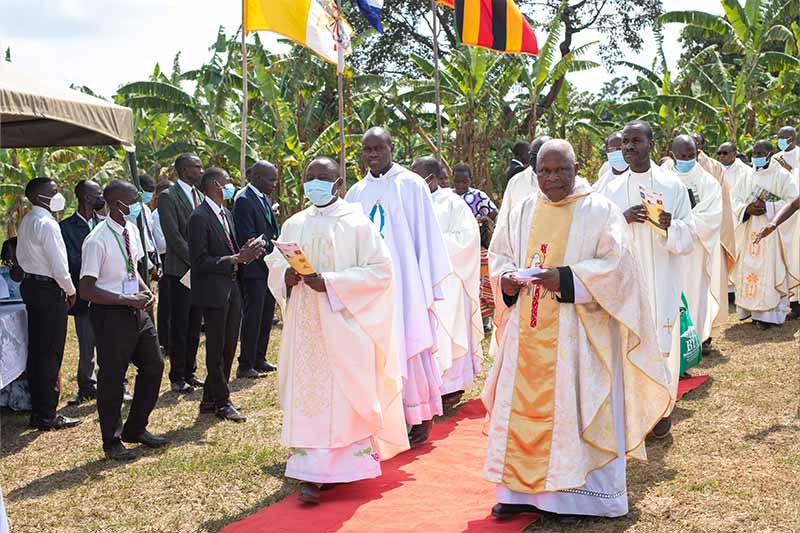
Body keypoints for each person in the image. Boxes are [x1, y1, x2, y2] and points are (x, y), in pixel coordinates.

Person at [484, 140, 670, 520]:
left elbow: (619, 268)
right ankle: (517, 492)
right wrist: (504, 280)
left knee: (576, 407)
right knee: (520, 407)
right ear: (535, 173)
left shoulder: (598, 210)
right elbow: (500, 254)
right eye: (544, 172)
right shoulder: (521, 209)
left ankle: (574, 497)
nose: (552, 179)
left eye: (560, 171)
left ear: (576, 168)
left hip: (578, 335)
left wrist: (567, 279)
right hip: (527, 333)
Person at [266, 156, 409, 504]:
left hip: (343, 324)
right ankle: (310, 474)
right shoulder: (294, 222)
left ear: (339, 183)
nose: (314, 183)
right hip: (304, 327)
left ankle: (346, 468)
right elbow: (275, 261)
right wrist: (285, 275)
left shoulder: (357, 223)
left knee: (343, 393)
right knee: (309, 394)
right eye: (309, 177)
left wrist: (329, 282)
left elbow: (380, 272)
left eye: (322, 178)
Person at [345, 127, 452, 447]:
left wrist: (422, 283)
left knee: (408, 343)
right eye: (367, 149)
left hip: (405, 283)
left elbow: (426, 236)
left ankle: (419, 416)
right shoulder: (356, 193)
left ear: (392, 147)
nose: (373, 154)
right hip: (370, 287)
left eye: (379, 148)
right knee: (374, 349)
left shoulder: (412, 185)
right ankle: (381, 417)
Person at [597, 121, 695, 438]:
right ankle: (631, 411)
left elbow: (690, 233)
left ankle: (662, 409)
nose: (628, 147)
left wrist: (670, 226)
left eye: (635, 141)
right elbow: (595, 234)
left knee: (661, 340)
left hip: (661, 278)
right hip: (624, 281)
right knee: (625, 341)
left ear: (651, 144)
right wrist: (621, 219)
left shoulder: (671, 185)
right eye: (624, 142)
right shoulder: (608, 189)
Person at [78, 180, 169, 460]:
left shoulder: (131, 229)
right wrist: (126, 300)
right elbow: (87, 289)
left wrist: (143, 290)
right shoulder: (97, 239)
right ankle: (112, 441)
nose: (139, 205)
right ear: (118, 204)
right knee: (113, 378)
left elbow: (132, 266)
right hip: (110, 314)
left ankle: (136, 428)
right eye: (134, 200)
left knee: (154, 365)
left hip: (136, 310)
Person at [189, 167, 264, 421]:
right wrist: (235, 258)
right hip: (213, 291)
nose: (230, 186)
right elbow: (199, 261)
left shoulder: (227, 214)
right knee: (216, 348)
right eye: (227, 182)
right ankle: (222, 401)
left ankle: (209, 399)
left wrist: (246, 252)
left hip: (231, 287)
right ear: (214, 185)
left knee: (229, 345)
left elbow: (231, 248)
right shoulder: (199, 217)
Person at [412, 156, 483, 409]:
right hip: (417, 283)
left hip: (448, 280)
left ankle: (451, 386)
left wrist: (433, 244)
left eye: (420, 176)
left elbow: (467, 238)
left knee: (448, 332)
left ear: (432, 178)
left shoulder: (452, 203)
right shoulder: (410, 203)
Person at [16, 177, 81, 431]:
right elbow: (58, 265)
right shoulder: (48, 224)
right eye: (54, 192)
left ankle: (39, 410)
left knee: (38, 350)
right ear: (40, 197)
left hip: (32, 287)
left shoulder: (27, 221)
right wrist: (71, 290)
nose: (59, 195)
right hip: (48, 288)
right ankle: (48, 414)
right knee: (51, 352)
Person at [730, 140, 799, 329]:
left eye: (761, 153)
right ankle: (750, 311)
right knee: (749, 269)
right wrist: (746, 209)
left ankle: (769, 316)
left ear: (770, 154)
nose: (757, 156)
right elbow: (734, 200)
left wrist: (768, 207)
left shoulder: (783, 176)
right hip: (749, 228)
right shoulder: (747, 176)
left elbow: (793, 202)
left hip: (772, 232)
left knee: (770, 269)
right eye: (754, 153)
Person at [666, 135, 722, 348]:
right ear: (673, 155)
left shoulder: (709, 183)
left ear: (697, 154)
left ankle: (695, 342)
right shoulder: (662, 178)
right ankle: (670, 345)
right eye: (683, 156)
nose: (687, 159)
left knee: (693, 294)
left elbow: (711, 217)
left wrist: (681, 224)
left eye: (692, 155)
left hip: (695, 251)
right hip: (668, 249)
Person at [157, 153, 205, 393]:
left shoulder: (200, 195)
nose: (201, 171)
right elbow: (173, 235)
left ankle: (190, 371)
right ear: (186, 170)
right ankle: (177, 376)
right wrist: (196, 260)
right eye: (198, 167)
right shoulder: (168, 197)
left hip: (200, 271)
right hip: (181, 270)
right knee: (180, 324)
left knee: (195, 323)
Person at [232, 160, 281, 378]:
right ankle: (246, 363)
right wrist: (268, 260)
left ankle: (260, 358)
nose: (274, 184)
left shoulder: (262, 197)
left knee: (266, 314)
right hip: (255, 268)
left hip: (268, 266)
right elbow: (248, 236)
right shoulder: (243, 199)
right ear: (258, 178)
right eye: (271, 179)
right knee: (253, 315)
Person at [60, 179, 105, 405]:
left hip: (107, 292)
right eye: (98, 193)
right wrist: (96, 265)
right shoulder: (65, 228)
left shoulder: (105, 223)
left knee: (109, 340)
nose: (102, 197)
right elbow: (69, 260)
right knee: (87, 342)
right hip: (84, 292)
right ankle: (87, 386)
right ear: (87, 197)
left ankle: (115, 383)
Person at [690, 133, 737, 330]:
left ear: (701, 145)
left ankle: (706, 333)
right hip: (679, 237)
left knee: (707, 284)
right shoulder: (668, 168)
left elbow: (722, 204)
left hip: (709, 234)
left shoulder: (714, 168)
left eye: (696, 143)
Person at [452, 162, 498, 331]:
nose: (461, 185)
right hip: (456, 249)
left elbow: (494, 214)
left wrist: (485, 227)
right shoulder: (448, 197)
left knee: (480, 281)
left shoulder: (479, 196)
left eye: (464, 182)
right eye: (457, 182)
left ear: (470, 180)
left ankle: (484, 318)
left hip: (477, 247)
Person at [773, 126, 800, 318]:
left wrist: (789, 170)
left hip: (798, 216)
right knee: (785, 257)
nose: (781, 141)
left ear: (793, 138)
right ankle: (791, 302)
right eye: (778, 138)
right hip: (781, 216)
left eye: (784, 138)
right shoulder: (775, 158)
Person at [150, 179, 173, 354]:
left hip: (178, 258)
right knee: (166, 302)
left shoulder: (174, 211)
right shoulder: (156, 215)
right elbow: (161, 244)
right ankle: (164, 340)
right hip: (166, 259)